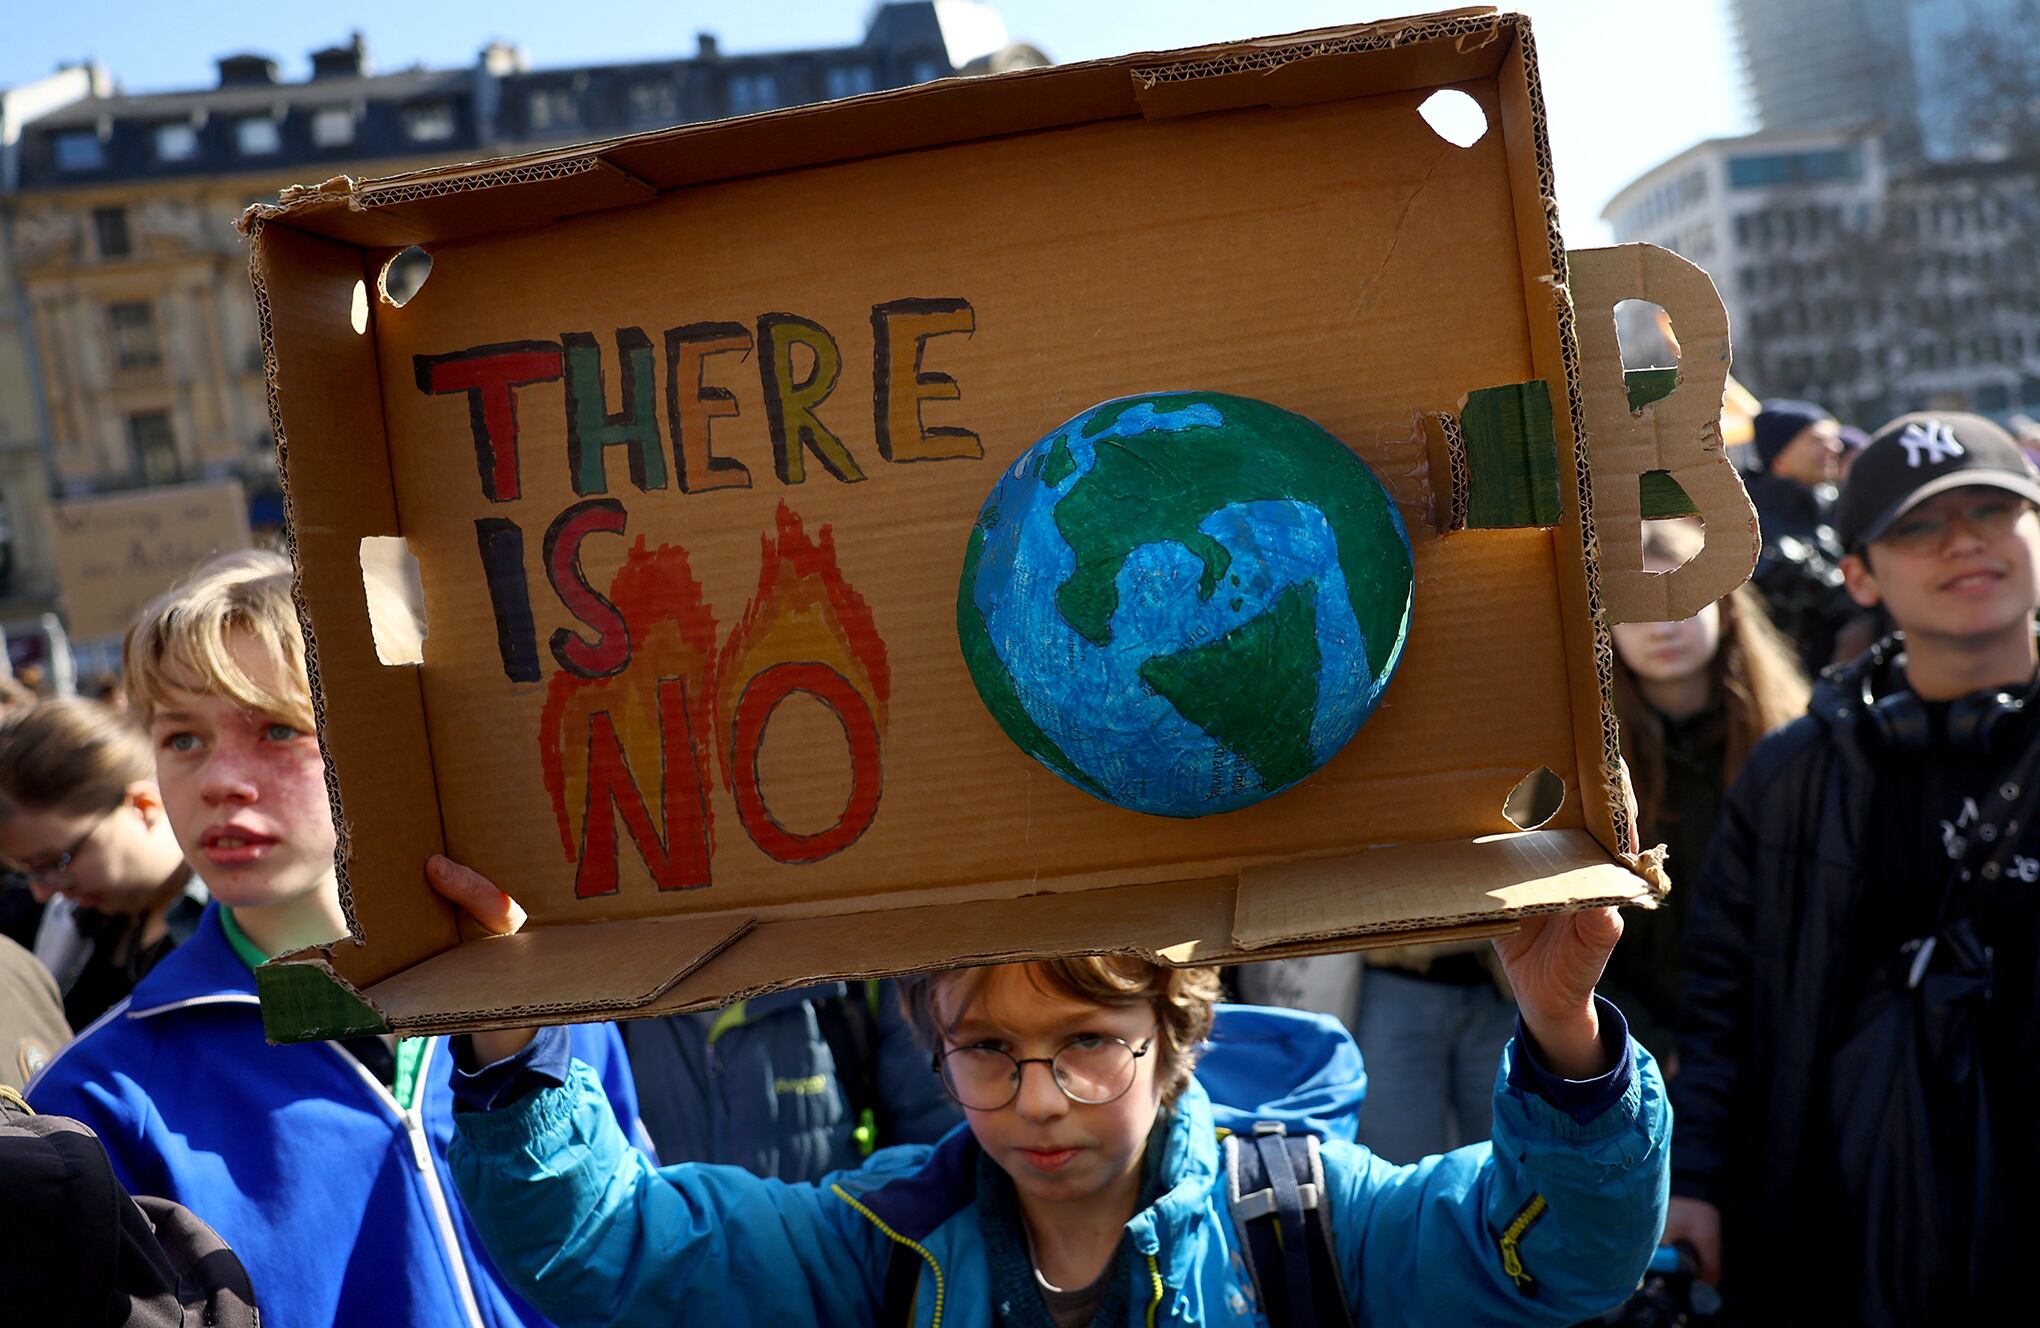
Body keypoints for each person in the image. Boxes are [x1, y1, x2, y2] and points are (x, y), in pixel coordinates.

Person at [428, 853, 1669, 1327]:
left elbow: (1555, 1258)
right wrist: (510, 1036)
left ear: (1177, 1035)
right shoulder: (878, 1243)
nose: (1039, 1099)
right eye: (986, 1049)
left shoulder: (1309, 1222)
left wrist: (1562, 1029)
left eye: (1086, 1042)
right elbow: (609, 1251)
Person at [26, 549, 646, 1328]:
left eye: (278, 730)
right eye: (182, 739)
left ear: (396, 738)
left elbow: (644, 1264)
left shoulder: (537, 998)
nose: (219, 781)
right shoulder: (101, 1099)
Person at [1667, 413, 2040, 1323]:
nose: (1963, 542)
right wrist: (1696, 1182)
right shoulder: (1792, 776)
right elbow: (1722, 999)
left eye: (1992, 510)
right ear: (1861, 576)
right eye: (1919, 526)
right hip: (1847, 1228)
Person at [1604, 520, 1809, 1067]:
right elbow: (1576, 937)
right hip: (1653, 1056)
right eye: (1636, 608)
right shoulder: (1587, 771)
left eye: (1683, 601)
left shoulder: (1797, 748)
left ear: (1727, 607)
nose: (1662, 626)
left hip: (1790, 1040)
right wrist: (1648, 1046)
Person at [620, 979, 960, 1179]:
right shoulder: (606, 996)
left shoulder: (863, 970)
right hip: (669, 1278)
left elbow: (934, 1160)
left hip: (841, 1273)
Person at [0, 699, 207, 1028]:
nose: (42, 892)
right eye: (29, 871)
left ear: (143, 807)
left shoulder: (241, 921)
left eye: (55, 862)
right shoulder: (72, 923)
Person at [1741, 399, 1856, 671]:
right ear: (1779, 458)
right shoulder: (1746, 519)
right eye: (1817, 440)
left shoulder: (1837, 507)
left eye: (1833, 439)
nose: (1834, 447)